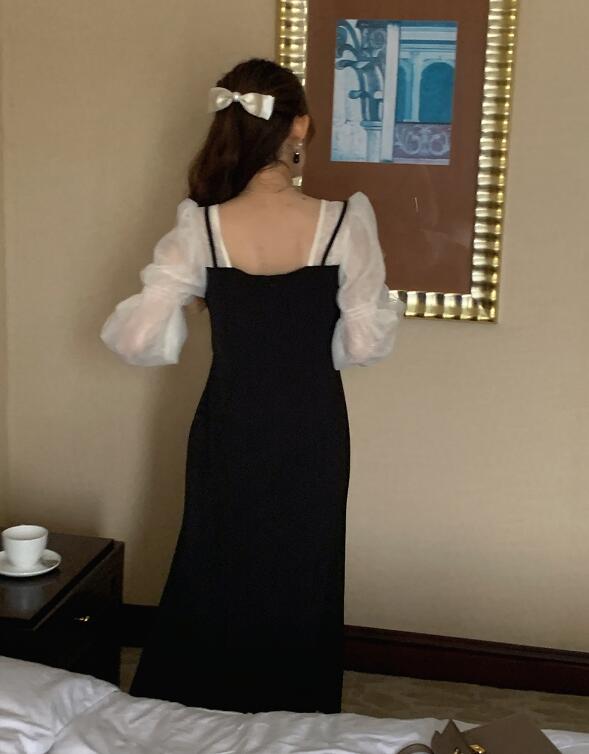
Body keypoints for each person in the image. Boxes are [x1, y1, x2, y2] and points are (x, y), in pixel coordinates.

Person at [100, 57, 406, 715]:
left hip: (229, 421)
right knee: (303, 566)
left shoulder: (201, 226)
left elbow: (136, 337)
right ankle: (293, 712)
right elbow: (363, 344)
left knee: (217, 560)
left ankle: (197, 713)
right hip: (312, 426)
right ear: (299, 125)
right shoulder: (344, 222)